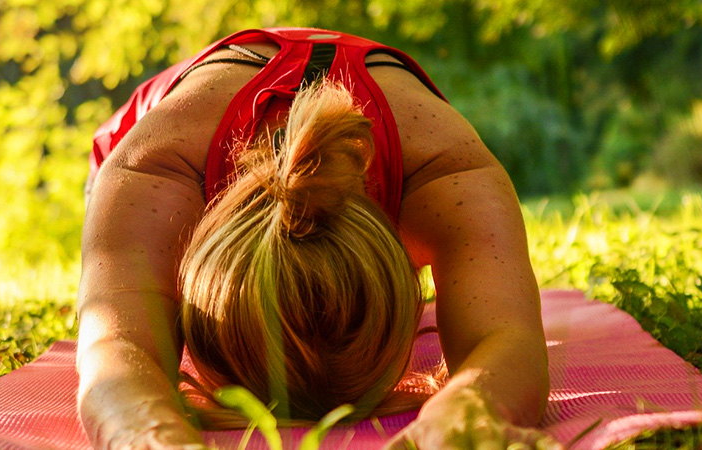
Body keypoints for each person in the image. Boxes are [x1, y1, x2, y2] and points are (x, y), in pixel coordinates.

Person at [78, 28, 551, 450]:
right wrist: (145, 432)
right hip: (154, 142)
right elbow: (113, 351)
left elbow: (509, 339)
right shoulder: (154, 169)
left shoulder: (445, 170)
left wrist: (470, 407)